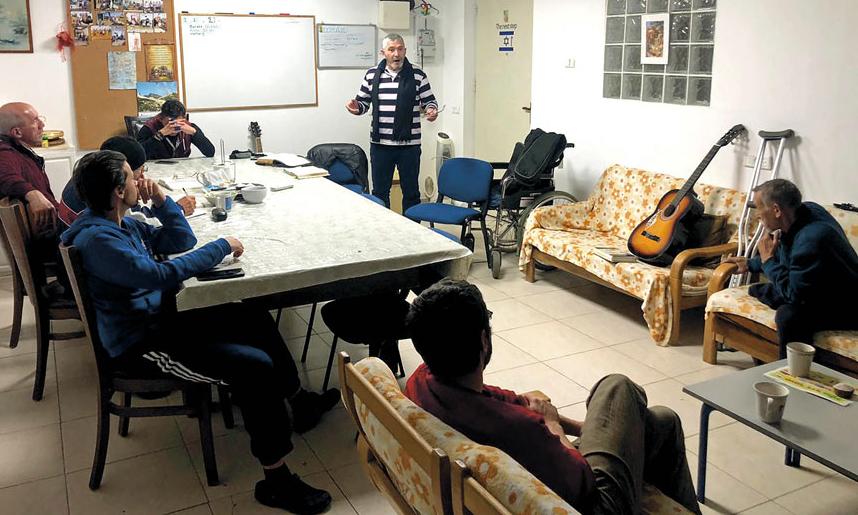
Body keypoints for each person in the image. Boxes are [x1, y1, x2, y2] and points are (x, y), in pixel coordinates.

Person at [61, 150, 339, 515]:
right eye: (133, 176)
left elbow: (180, 240)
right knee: (252, 367)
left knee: (249, 315)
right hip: (142, 346)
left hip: (161, 320)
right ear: (117, 190)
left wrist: (162, 201)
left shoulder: (122, 224)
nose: (139, 180)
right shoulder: (99, 240)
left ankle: (297, 401)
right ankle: (277, 480)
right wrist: (221, 245)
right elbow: (160, 275)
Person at [404, 280, 700, 515]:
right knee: (615, 387)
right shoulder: (522, 430)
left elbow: (510, 401)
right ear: (484, 340)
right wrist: (553, 424)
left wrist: (589, 429)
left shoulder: (423, 381)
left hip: (513, 480)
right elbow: (582, 482)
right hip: (595, 503)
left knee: (662, 423)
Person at [722, 179, 858, 358]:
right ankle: (763, 353)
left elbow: (794, 294)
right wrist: (750, 263)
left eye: (759, 208)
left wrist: (768, 260)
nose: (757, 215)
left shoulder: (812, 238)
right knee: (758, 290)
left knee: (788, 315)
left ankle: (790, 372)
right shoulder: (805, 211)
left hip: (846, 304)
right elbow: (788, 256)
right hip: (819, 286)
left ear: (777, 210)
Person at [345, 33, 438, 211]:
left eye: (400, 49)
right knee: (379, 192)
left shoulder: (418, 75)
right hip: (381, 145)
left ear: (405, 50)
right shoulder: (372, 75)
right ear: (383, 52)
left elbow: (429, 101)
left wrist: (431, 110)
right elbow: (363, 103)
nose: (397, 54)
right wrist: (356, 107)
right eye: (392, 49)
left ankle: (413, 233)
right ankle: (384, 233)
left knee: (411, 192)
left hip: (409, 145)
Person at [58, 136, 196, 226]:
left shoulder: (89, 174)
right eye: (140, 170)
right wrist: (178, 208)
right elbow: (142, 224)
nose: (142, 176)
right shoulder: (108, 198)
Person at [0, 102, 59, 235]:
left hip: (56, 229)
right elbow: (2, 177)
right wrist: (32, 194)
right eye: (35, 121)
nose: (42, 124)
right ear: (17, 132)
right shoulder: (3, 154)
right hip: (53, 239)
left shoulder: (18, 152)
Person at [137, 99, 215, 160]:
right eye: (169, 123)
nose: (174, 127)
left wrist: (194, 133)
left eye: (178, 123)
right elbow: (138, 156)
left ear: (184, 119)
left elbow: (210, 152)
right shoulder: (149, 128)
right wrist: (159, 135)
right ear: (161, 118)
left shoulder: (189, 126)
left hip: (182, 169)